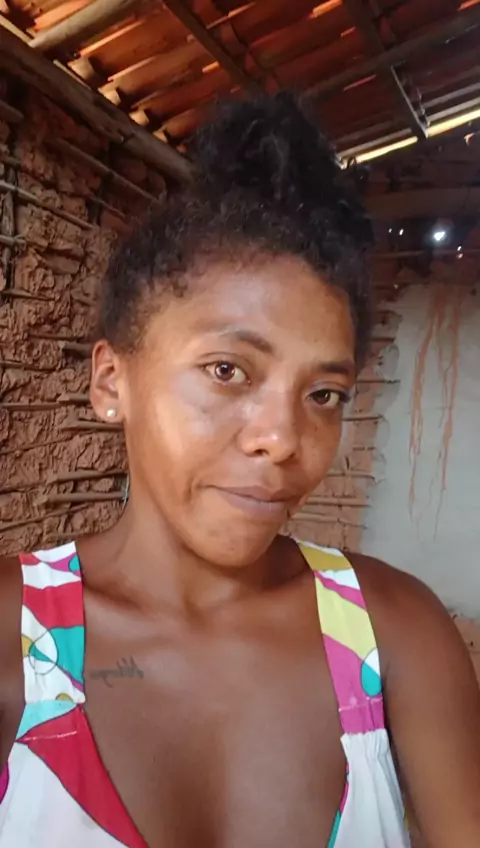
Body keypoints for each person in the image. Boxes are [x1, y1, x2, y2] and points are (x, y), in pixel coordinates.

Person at [0, 93, 479, 848]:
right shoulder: (11, 638)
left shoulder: (397, 634)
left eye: (324, 394)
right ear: (111, 381)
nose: (283, 439)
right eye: (227, 370)